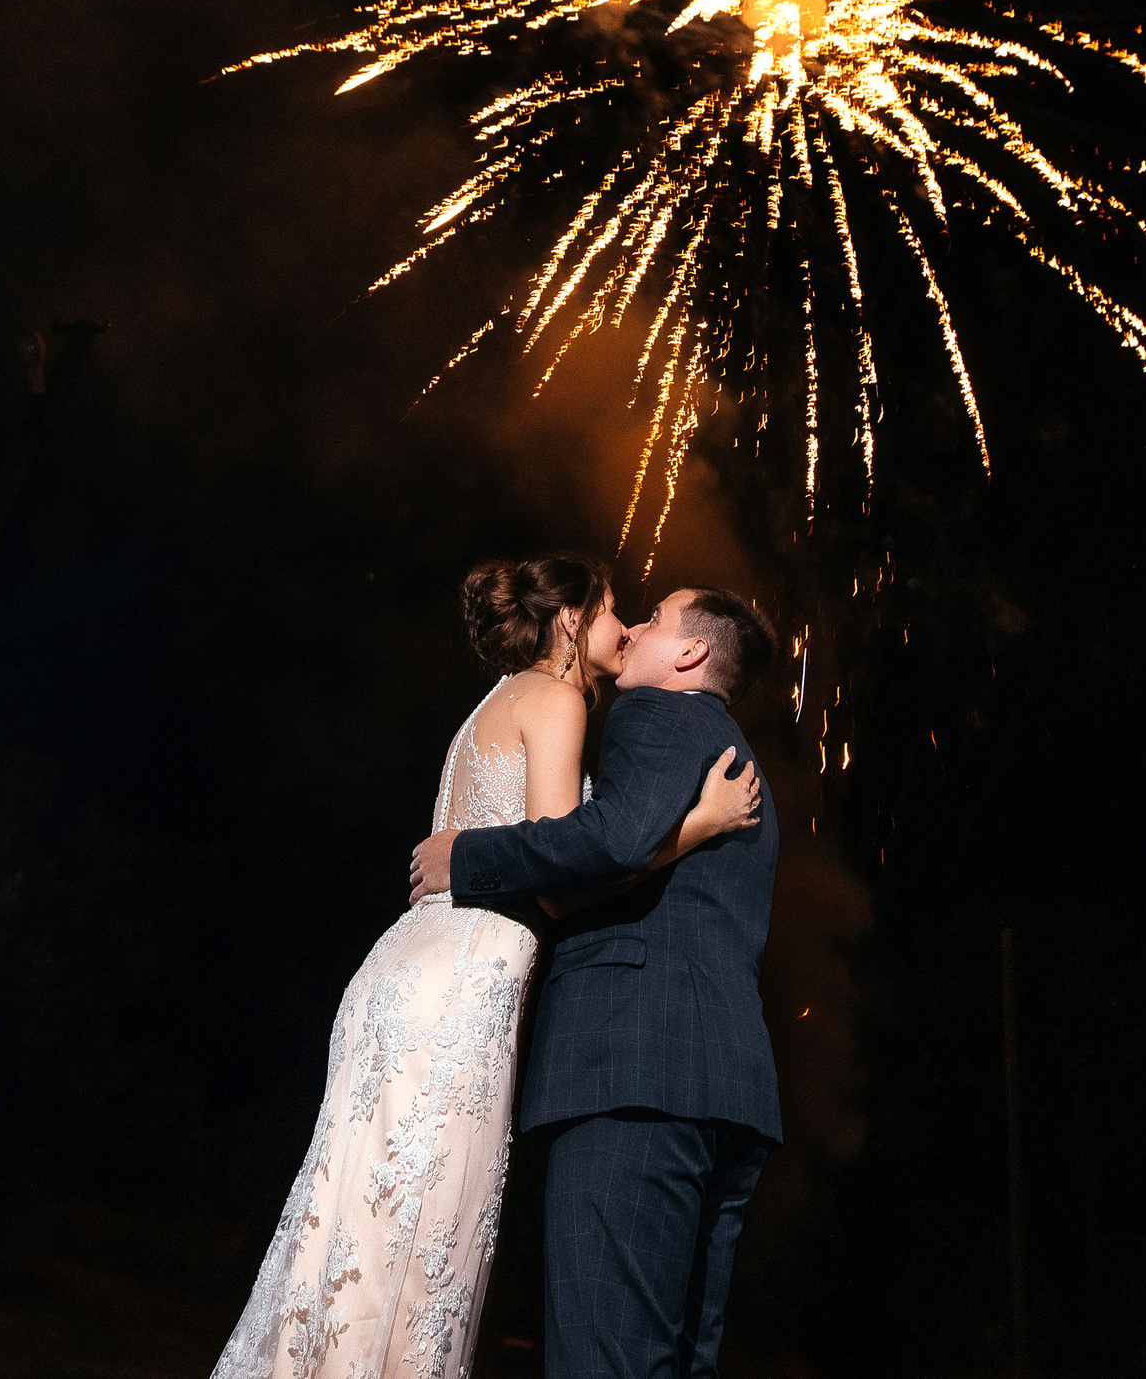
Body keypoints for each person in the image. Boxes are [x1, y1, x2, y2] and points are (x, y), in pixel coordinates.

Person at [210, 555, 762, 1379]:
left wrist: (467, 855)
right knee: (422, 1237)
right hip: (461, 991)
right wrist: (697, 824)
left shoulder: (494, 702)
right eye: (619, 611)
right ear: (572, 619)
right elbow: (569, 874)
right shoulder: (559, 698)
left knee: (362, 1223)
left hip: (410, 969)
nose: (628, 629)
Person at [407, 586, 780, 1379]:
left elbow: (613, 840)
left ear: (690, 654)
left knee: (603, 1356)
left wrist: (467, 855)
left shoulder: (654, 714)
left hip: (632, 1076)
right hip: (729, 1091)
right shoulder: (741, 761)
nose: (635, 628)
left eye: (655, 619)